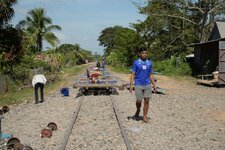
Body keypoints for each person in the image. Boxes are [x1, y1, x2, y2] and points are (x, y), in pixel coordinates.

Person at [130, 47, 157, 123]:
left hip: (147, 84)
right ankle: (138, 109)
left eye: (146, 53)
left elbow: (151, 74)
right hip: (138, 84)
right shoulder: (136, 63)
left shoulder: (149, 63)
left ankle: (144, 116)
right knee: (139, 100)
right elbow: (133, 74)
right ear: (140, 54)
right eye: (143, 53)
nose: (144, 54)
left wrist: (154, 85)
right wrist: (131, 85)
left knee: (147, 100)